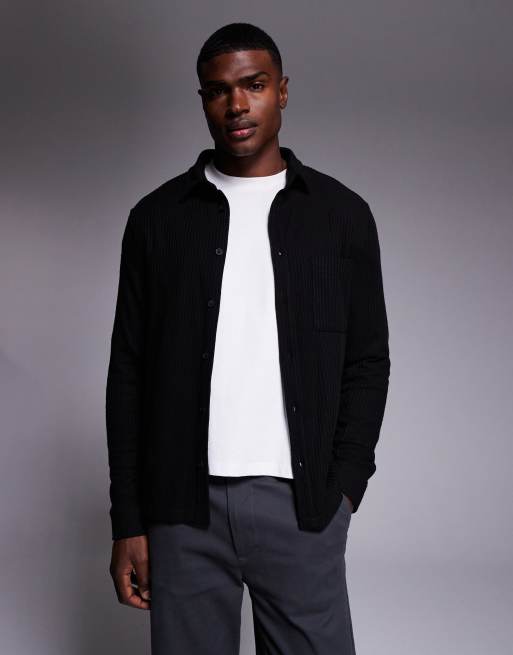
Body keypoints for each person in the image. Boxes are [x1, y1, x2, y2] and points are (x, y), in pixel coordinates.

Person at [106, 21, 390, 655]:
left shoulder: (341, 215)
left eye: (254, 85)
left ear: (282, 91)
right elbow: (128, 373)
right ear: (203, 101)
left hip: (302, 506)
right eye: (218, 91)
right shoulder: (156, 220)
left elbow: (368, 360)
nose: (236, 104)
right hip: (181, 509)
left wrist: (345, 486)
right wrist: (129, 520)